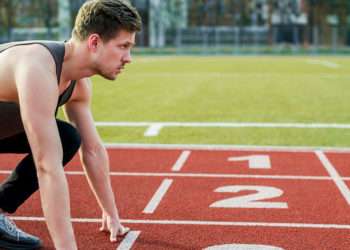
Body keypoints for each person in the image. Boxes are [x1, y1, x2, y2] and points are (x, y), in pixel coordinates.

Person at [0, 0, 142, 249]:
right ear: (95, 42)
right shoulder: (37, 66)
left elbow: (93, 150)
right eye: (123, 47)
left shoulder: (79, 83)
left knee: (67, 138)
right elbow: (48, 167)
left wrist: (111, 213)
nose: (128, 58)